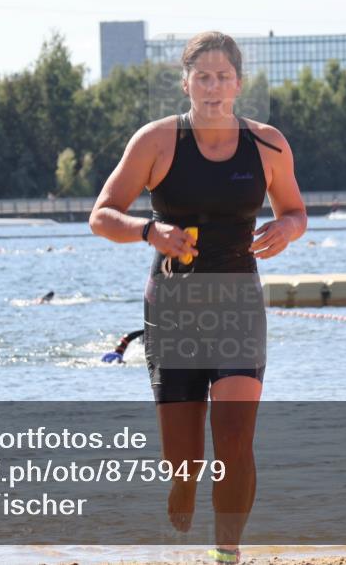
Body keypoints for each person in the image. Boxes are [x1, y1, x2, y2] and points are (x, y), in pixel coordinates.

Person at [89, 31, 306, 564]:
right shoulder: (157, 141)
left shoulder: (269, 143)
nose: (213, 87)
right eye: (202, 77)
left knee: (234, 440)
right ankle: (182, 488)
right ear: (186, 82)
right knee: (183, 460)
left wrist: (287, 230)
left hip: (238, 302)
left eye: (223, 76)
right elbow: (101, 215)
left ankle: (226, 553)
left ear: (239, 82)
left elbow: (296, 210)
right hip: (174, 305)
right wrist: (149, 233)